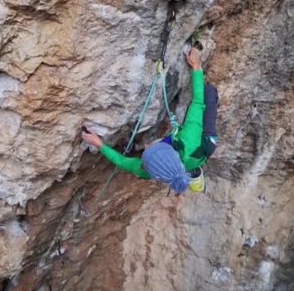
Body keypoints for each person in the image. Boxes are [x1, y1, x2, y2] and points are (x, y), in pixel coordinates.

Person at [82, 46, 219, 193]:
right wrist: (197, 66)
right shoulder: (189, 140)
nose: (147, 146)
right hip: (205, 143)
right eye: (153, 148)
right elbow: (198, 102)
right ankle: (194, 176)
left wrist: (99, 144)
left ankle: (190, 174)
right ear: (170, 151)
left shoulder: (145, 170)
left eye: (146, 153)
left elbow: (121, 162)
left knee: (187, 161)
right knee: (209, 93)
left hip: (188, 154)